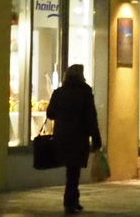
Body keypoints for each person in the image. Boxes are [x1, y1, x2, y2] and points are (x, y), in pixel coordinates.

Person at [45, 65, 102, 215]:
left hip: (62, 136)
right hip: (79, 136)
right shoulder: (85, 92)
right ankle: (70, 201)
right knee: (73, 170)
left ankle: (73, 199)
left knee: (71, 169)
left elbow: (50, 113)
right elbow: (91, 116)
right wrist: (96, 139)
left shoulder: (59, 92)